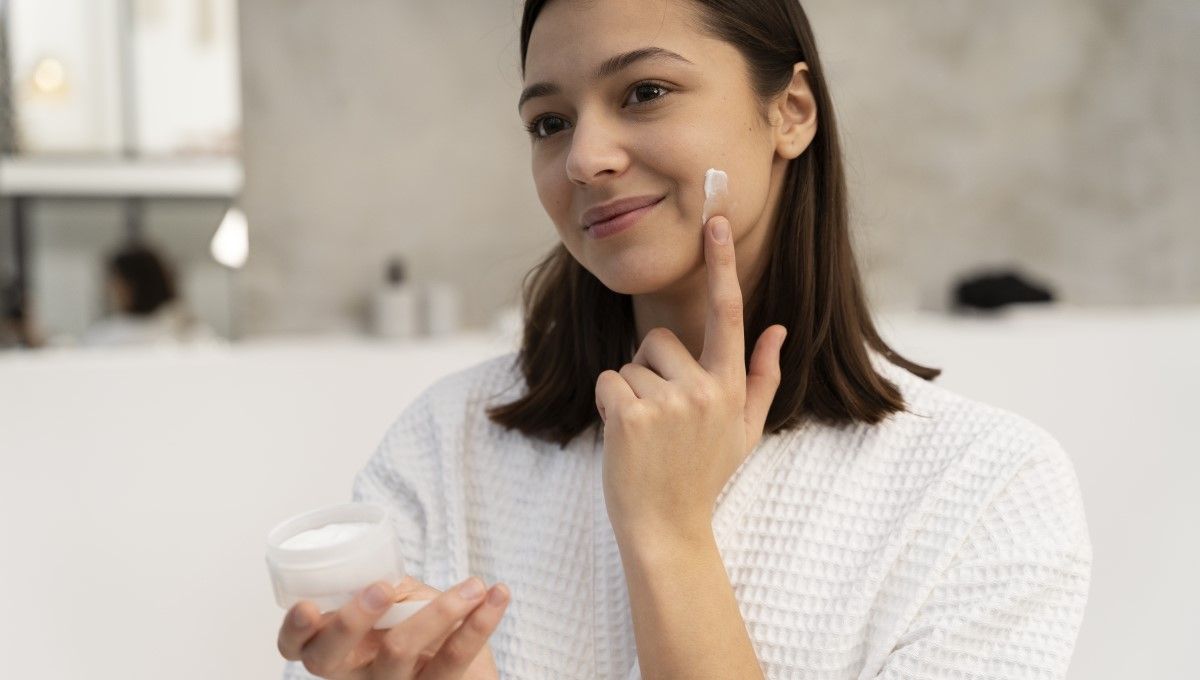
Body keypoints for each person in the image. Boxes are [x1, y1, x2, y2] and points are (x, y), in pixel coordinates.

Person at [278, 1, 1092, 678]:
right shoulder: (447, 442)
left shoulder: (987, 492)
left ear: (791, 112)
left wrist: (668, 536)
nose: (584, 159)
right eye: (549, 122)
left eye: (645, 91)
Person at [79, 242, 218, 348]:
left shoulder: (187, 333)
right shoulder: (104, 336)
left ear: (136, 285)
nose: (111, 290)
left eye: (117, 283)